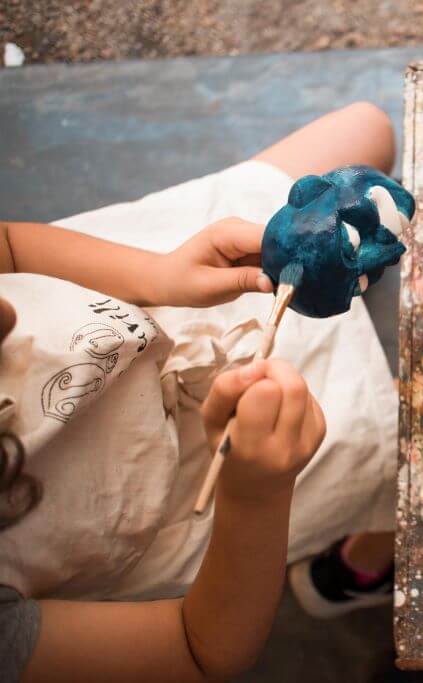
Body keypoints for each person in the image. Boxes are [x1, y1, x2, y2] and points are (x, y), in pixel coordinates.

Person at [0, 102, 400, 682]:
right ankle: (351, 573)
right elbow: (198, 651)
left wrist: (158, 276)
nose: (9, 314)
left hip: (122, 304)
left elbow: (9, 247)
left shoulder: (15, 304)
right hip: (184, 489)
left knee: (367, 130)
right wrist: (255, 493)